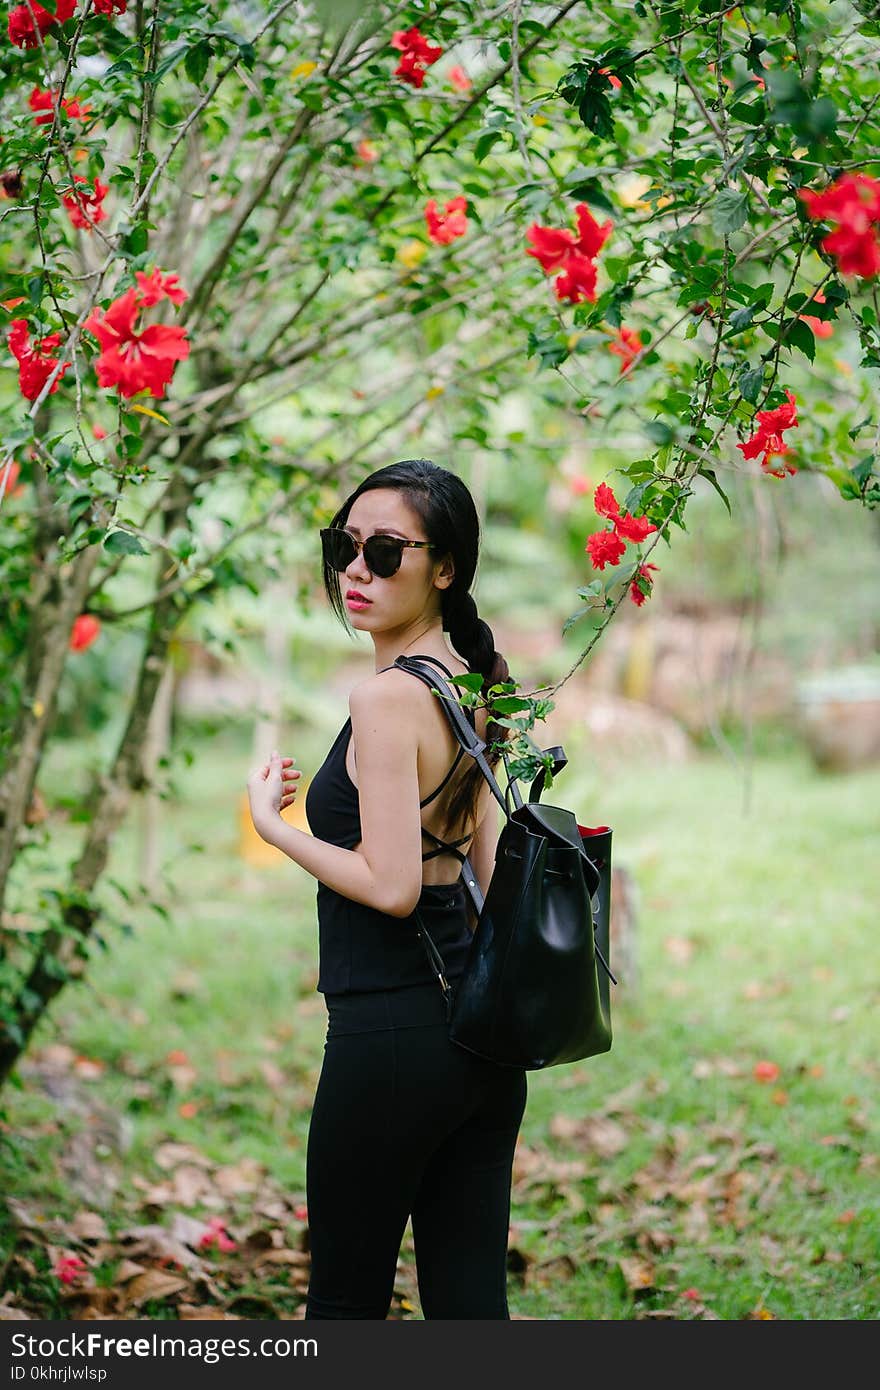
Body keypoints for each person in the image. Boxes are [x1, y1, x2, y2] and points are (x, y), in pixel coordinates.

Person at [246, 457, 528, 1320]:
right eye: (345, 547)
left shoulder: (385, 699)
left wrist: (275, 826)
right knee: (470, 1309)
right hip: (481, 1040)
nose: (356, 571)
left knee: (343, 1307)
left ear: (445, 568)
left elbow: (394, 885)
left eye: (383, 550)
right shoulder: (473, 684)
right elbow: (486, 873)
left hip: (392, 1034)